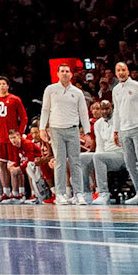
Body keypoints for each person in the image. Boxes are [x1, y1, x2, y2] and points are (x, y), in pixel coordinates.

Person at [39, 64, 91, 205]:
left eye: (67, 71)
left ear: (71, 75)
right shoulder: (50, 89)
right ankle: (60, 194)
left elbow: (83, 112)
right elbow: (45, 109)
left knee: (75, 162)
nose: (65, 73)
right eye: (62, 71)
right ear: (57, 74)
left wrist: (87, 132)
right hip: (56, 129)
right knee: (60, 162)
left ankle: (79, 193)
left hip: (73, 129)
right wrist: (42, 128)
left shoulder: (77, 92)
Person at [110, 61, 138, 204]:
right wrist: (115, 130)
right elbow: (116, 112)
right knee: (129, 163)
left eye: (123, 69)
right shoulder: (115, 90)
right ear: (116, 73)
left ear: (128, 71)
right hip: (124, 130)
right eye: (118, 70)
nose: (121, 72)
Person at [0, 77, 25, 197]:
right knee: (1, 165)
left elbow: (24, 118)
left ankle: (19, 192)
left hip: (13, 139)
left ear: (8, 86)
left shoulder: (15, 99)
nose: (2, 86)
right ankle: (6, 192)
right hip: (1, 138)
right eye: (0, 84)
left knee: (16, 165)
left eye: (4, 84)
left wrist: (19, 134)